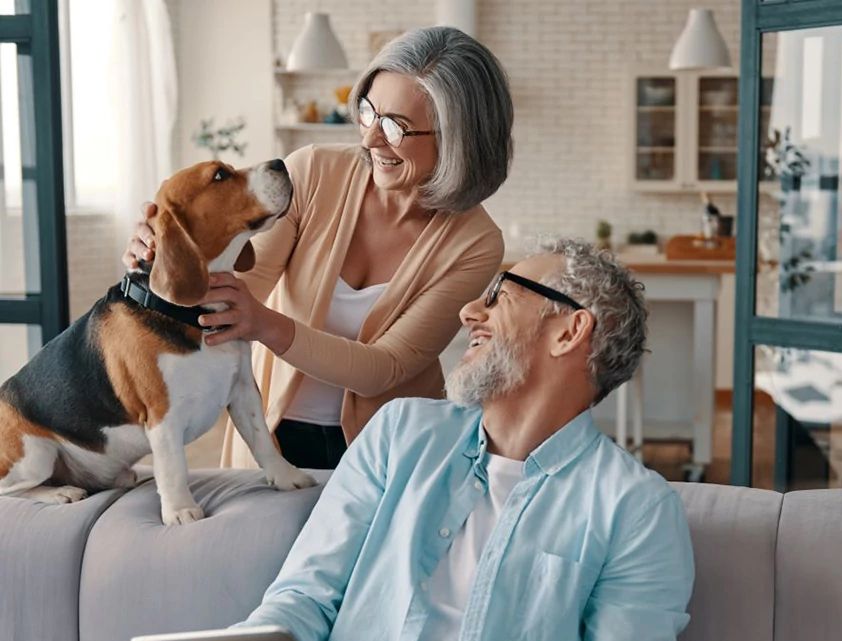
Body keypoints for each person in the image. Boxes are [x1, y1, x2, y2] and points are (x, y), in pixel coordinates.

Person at [232, 239, 695, 641]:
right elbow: (305, 596)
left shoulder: (636, 508)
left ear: (570, 332)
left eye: (499, 296)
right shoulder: (399, 433)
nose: (470, 311)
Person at [122, 27, 513, 469]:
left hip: (391, 451)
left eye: (395, 127)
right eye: (369, 112)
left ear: (458, 138)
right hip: (272, 431)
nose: (369, 140)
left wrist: (266, 325)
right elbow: (234, 286)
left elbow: (384, 369)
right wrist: (166, 249)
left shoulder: (476, 243)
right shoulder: (312, 171)